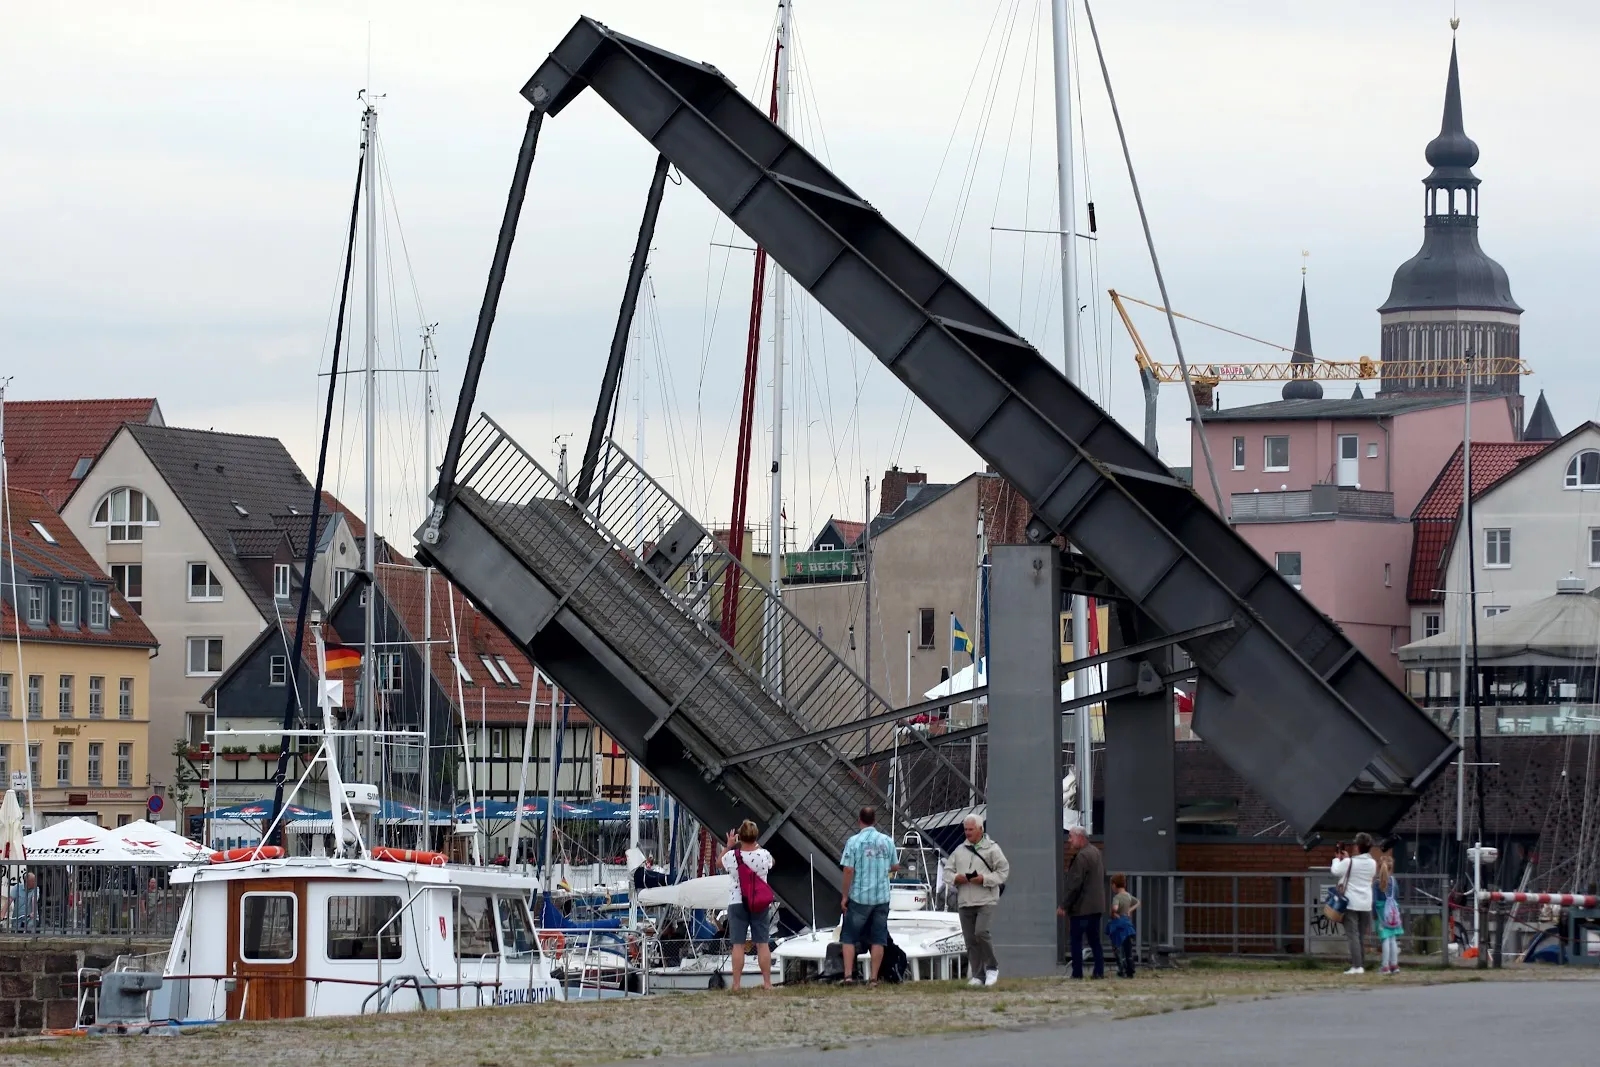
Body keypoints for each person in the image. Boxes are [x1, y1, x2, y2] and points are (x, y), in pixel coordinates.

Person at [941, 814, 1009, 987]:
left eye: (971, 829)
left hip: (986, 899)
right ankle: (978, 975)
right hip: (965, 900)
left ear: (980, 829)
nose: (967, 833)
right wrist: (957, 878)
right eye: (965, 829)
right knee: (970, 939)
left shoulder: (993, 849)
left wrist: (984, 879)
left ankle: (992, 968)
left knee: (981, 932)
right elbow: (947, 872)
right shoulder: (959, 850)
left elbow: (1003, 872)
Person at [839, 806, 899, 984]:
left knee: (849, 936)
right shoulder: (887, 841)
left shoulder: (854, 842)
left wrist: (844, 896)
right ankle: (873, 978)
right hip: (881, 897)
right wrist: (882, 867)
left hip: (860, 896)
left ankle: (848, 975)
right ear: (874, 820)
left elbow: (848, 869)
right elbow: (895, 866)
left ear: (860, 820)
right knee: (878, 938)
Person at [721, 820, 775, 991]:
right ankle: (767, 983)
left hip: (737, 901)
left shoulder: (732, 856)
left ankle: (736, 985)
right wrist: (758, 847)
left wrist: (729, 846)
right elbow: (772, 862)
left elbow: (718, 863)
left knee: (738, 944)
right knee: (762, 943)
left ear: (739, 836)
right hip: (759, 902)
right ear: (755, 835)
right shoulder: (764, 855)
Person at [1057, 827, 1105, 979]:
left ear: (1080, 837)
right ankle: (1099, 971)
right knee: (1095, 941)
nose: (1069, 840)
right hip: (1096, 906)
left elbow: (1075, 884)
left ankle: (1077, 973)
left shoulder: (1082, 856)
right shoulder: (1096, 852)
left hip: (1082, 907)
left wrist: (1064, 905)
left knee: (1076, 941)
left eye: (1071, 837)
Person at [1330, 832, 1378, 974]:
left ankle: (1357, 966)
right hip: (1366, 903)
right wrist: (1347, 860)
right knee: (1361, 936)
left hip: (1351, 903)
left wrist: (1336, 859)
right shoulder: (1373, 863)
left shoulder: (1349, 862)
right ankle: (1361, 964)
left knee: (1352, 935)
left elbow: (1335, 871)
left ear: (1357, 846)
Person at [1374, 837, 1405, 974]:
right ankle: (1394, 965)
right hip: (1393, 912)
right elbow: (1397, 896)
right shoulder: (1394, 881)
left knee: (1384, 939)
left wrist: (1375, 916)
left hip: (1382, 914)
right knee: (1393, 939)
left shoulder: (1376, 884)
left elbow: (1374, 901)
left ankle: (1384, 966)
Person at [1106, 873, 1139, 978]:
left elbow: (1115, 908)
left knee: (1117, 948)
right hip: (1127, 924)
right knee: (1128, 949)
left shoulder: (1117, 897)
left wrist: (1112, 913)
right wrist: (1129, 910)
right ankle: (1130, 970)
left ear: (1114, 885)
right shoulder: (1128, 896)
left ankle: (1122, 970)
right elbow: (1138, 902)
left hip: (1118, 925)